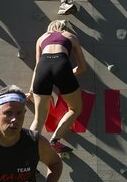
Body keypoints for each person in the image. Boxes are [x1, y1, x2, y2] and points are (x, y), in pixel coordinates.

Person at [28, 20, 87, 154]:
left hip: (43, 68)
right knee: (75, 109)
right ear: (64, 28)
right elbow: (82, 67)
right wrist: (67, 74)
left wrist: (31, 90)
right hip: (62, 65)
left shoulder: (41, 38)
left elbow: (37, 67)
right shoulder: (70, 36)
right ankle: (54, 140)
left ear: (50, 28)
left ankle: (28, 149)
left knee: (39, 118)